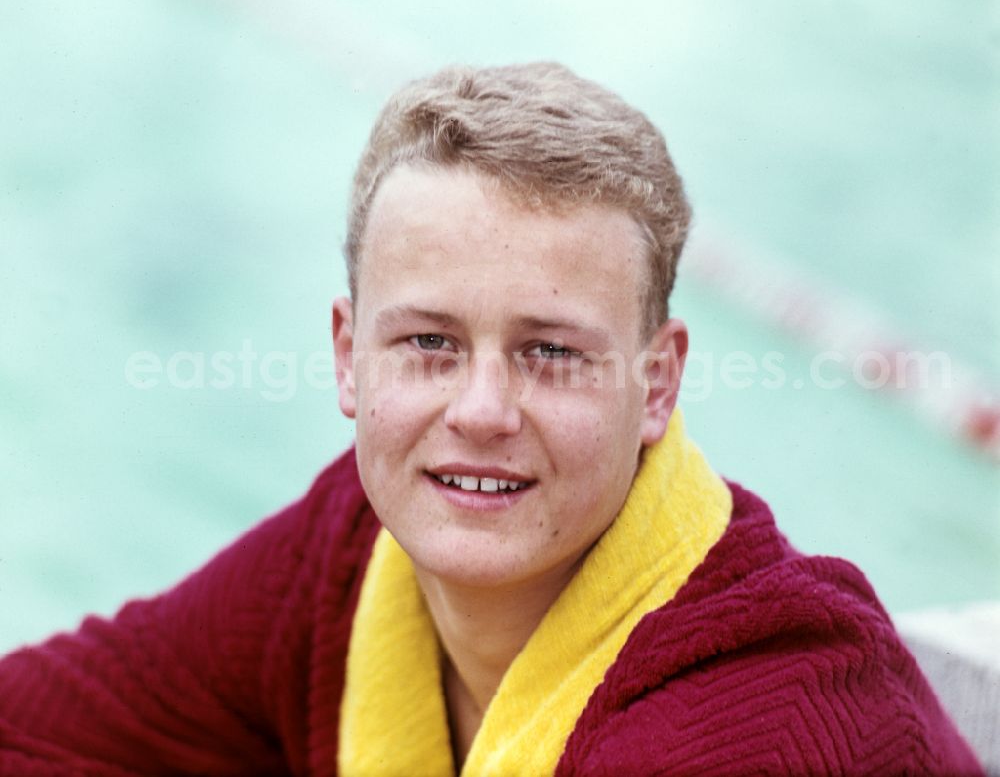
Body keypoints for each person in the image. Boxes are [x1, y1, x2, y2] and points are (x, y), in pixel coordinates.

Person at [0, 62, 983, 776]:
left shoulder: (762, 723)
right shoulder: (349, 555)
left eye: (550, 351)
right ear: (349, 356)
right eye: (428, 342)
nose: (478, 412)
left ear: (657, 381)